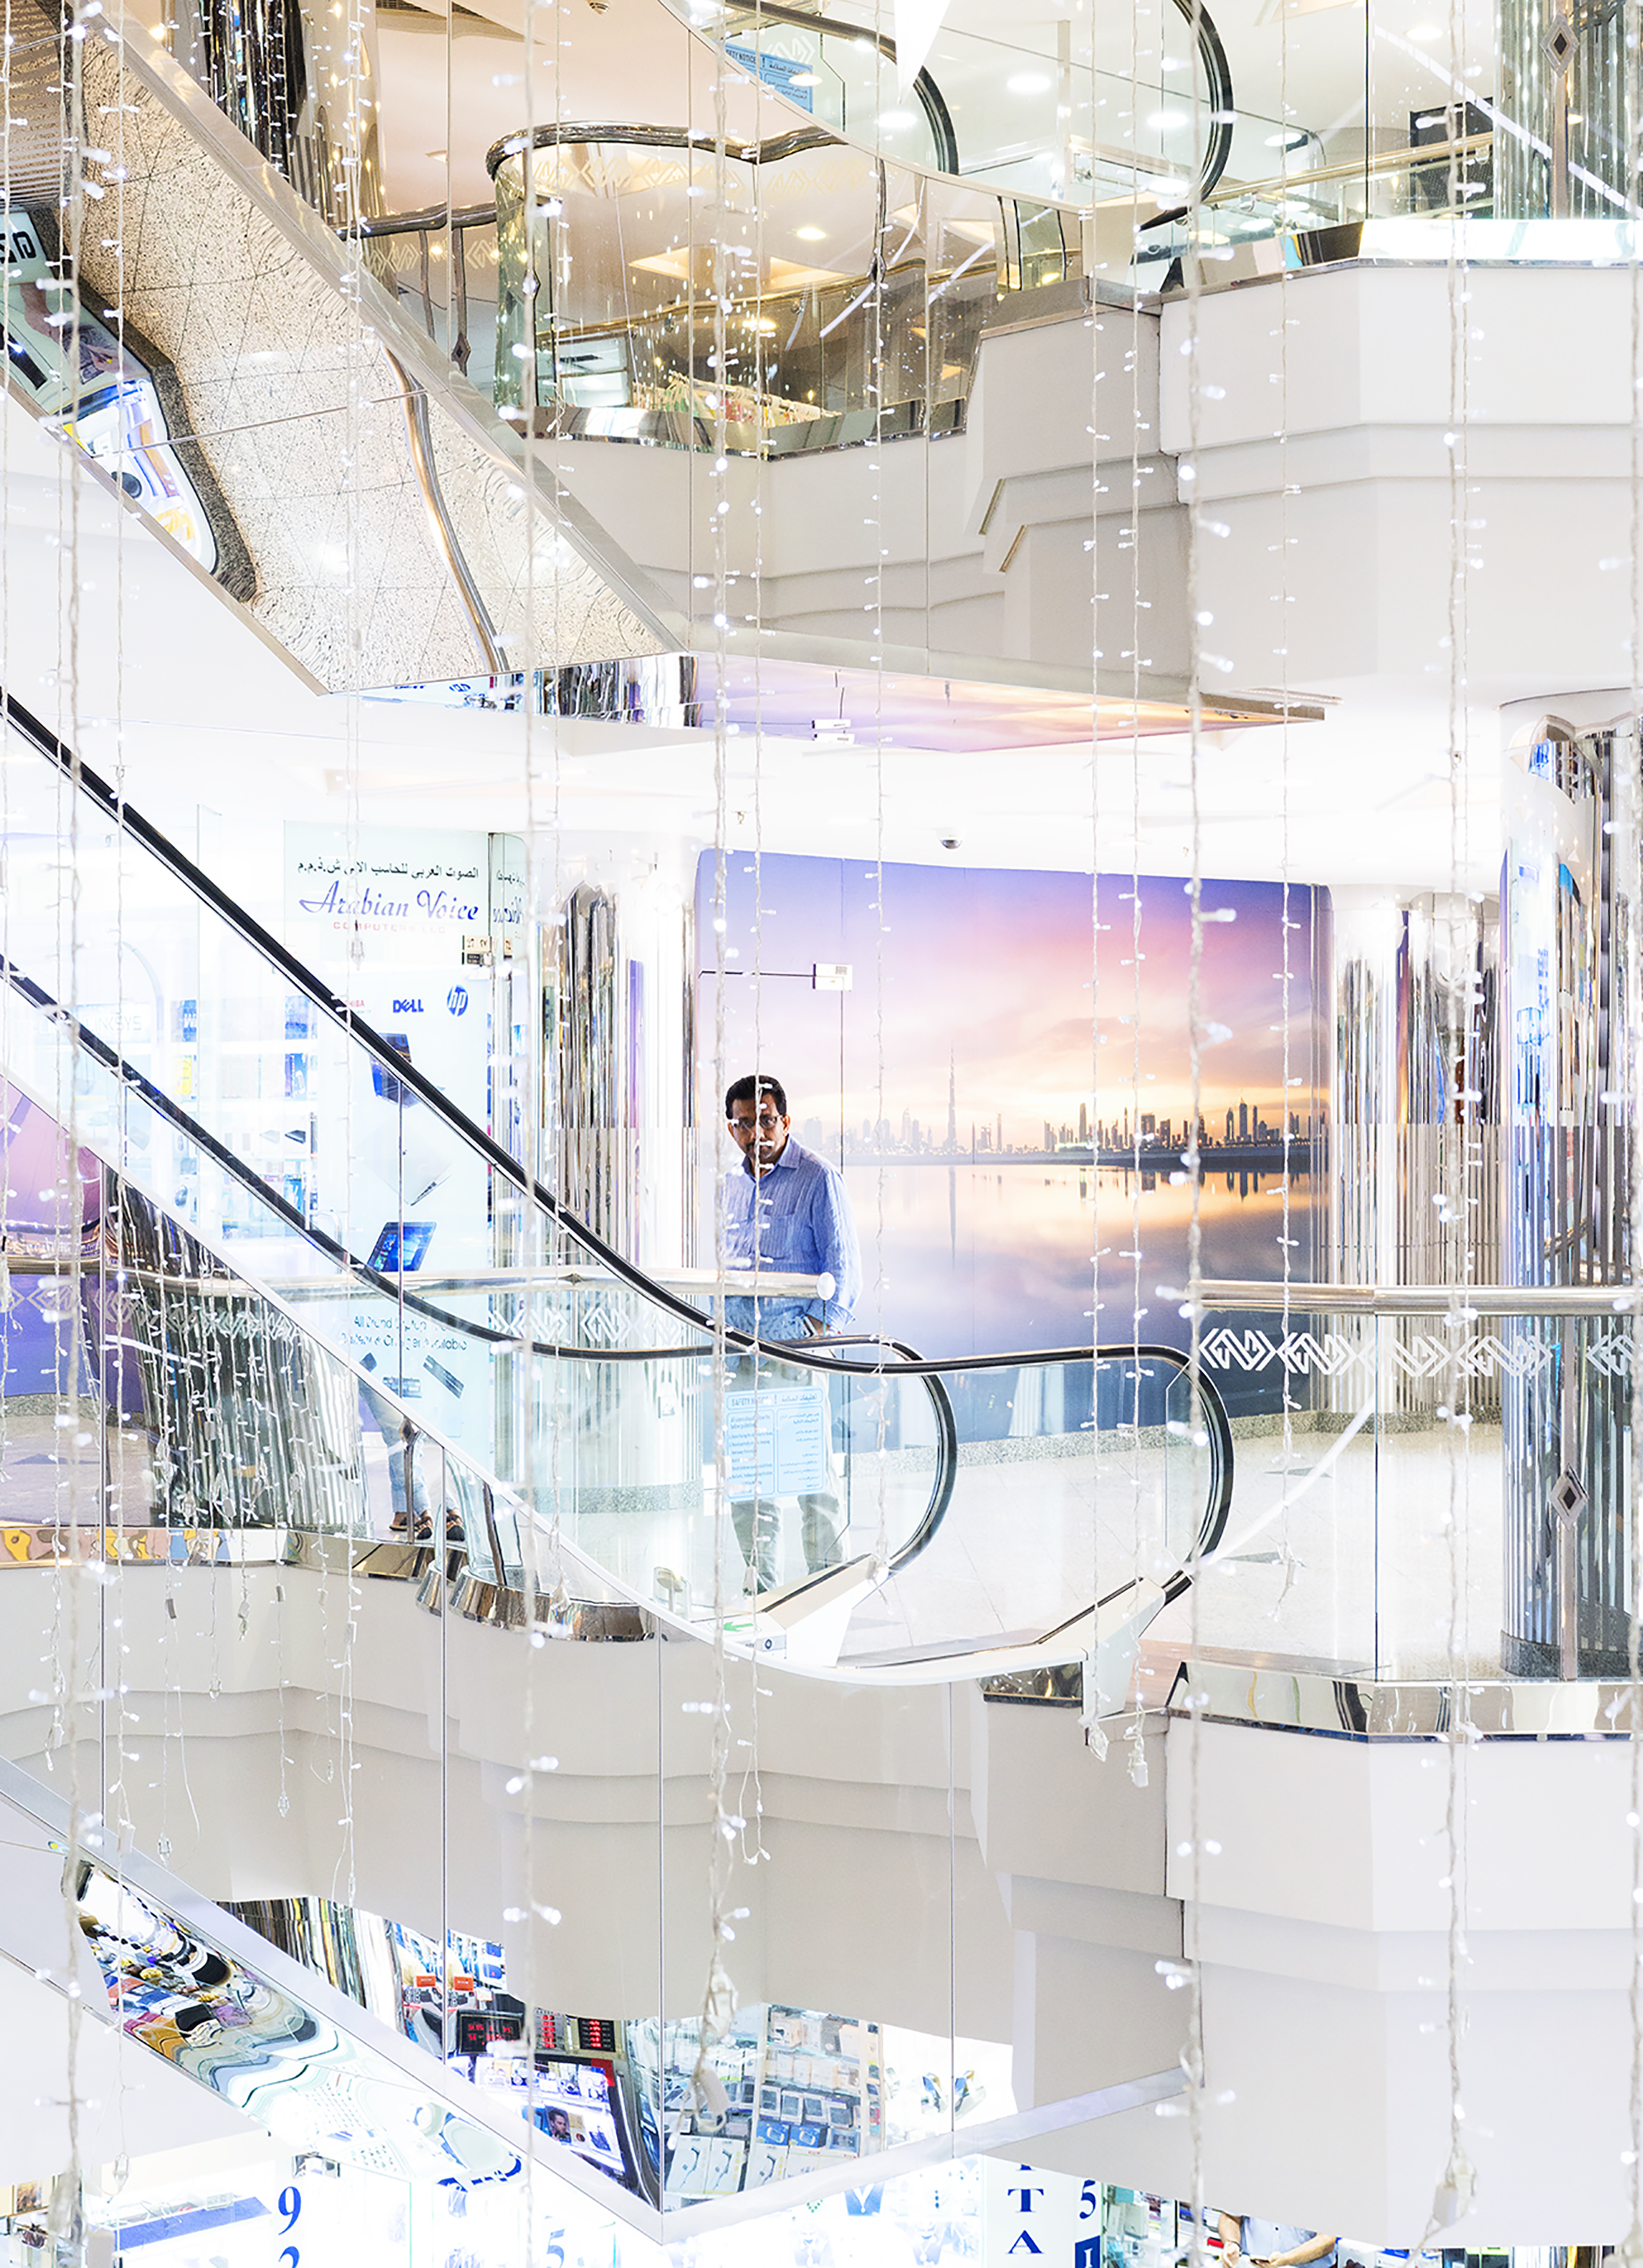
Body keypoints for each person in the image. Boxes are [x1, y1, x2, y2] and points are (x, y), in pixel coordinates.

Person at [719, 1074, 861, 1593]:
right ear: (731, 1128)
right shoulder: (730, 1185)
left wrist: (813, 1337)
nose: (758, 1132)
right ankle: (763, 1594)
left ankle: (826, 1590)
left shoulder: (818, 1178)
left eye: (768, 1120)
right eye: (746, 1123)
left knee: (812, 1482)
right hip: (741, 1359)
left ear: (786, 1121)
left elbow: (846, 1272)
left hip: (794, 1356)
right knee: (750, 1490)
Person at [1217, 2213, 1338, 2268]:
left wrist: (1285, 2259)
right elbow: (1230, 2217)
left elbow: (1327, 2240)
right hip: (1249, 2265)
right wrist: (1232, 2243)